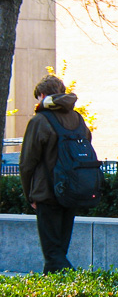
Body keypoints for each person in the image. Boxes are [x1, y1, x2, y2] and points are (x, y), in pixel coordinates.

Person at [19, 75, 89, 273]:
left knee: (52, 253)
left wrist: (29, 194)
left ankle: (76, 281)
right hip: (72, 192)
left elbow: (26, 163)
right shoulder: (78, 119)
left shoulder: (40, 120)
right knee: (59, 251)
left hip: (47, 194)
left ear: (42, 95)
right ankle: (56, 295)